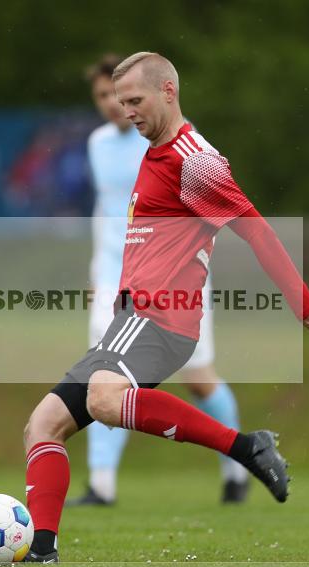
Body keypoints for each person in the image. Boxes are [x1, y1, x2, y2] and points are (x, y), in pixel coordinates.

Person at [21, 52, 309, 563]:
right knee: (41, 426)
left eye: (134, 100)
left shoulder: (194, 160)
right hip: (130, 321)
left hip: (161, 320)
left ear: (168, 92)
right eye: (119, 101)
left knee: (104, 398)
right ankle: (41, 553)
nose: (125, 111)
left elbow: (257, 230)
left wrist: (305, 309)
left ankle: (245, 448)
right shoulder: (154, 150)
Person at [67, 54, 249, 507]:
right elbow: (108, 214)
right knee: (101, 376)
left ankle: (238, 464)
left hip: (174, 282)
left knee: (198, 379)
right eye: (102, 96)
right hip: (116, 280)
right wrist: (97, 272)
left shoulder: (173, 140)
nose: (113, 104)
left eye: (120, 95)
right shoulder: (97, 144)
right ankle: (102, 484)